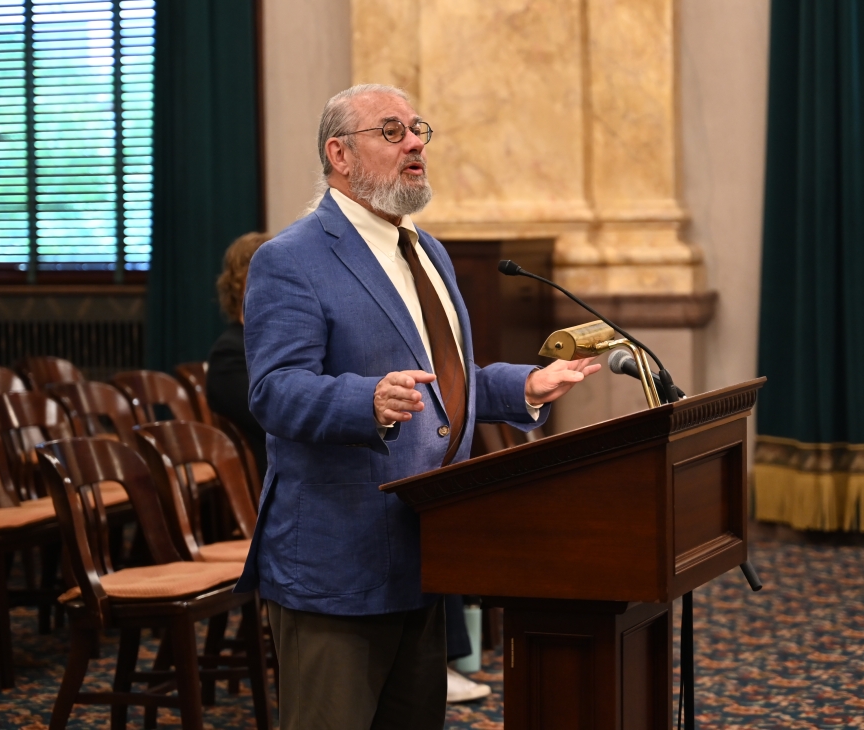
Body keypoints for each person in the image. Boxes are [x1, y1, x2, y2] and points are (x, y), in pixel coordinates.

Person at [235, 84, 600, 729]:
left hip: (426, 548)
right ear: (339, 154)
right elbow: (274, 390)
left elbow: (440, 386)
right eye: (392, 130)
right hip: (339, 560)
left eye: (417, 129)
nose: (414, 143)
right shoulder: (290, 259)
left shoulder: (427, 251)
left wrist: (522, 388)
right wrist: (365, 399)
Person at [206, 231, 273, 480]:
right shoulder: (229, 354)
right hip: (267, 481)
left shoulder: (276, 343)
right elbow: (274, 417)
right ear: (243, 284)